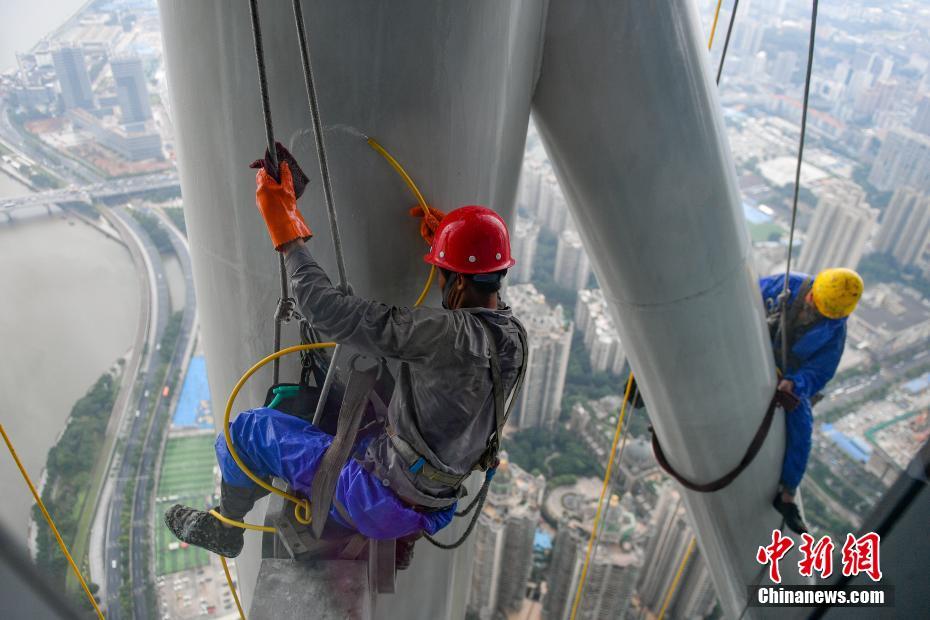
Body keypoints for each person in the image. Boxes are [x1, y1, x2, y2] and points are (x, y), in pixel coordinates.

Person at [165, 150, 527, 568]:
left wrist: (286, 231)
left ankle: (225, 526)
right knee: (359, 411)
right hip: (437, 503)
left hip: (377, 499)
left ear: (459, 282)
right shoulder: (514, 336)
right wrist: (449, 248)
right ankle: (401, 534)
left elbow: (326, 310)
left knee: (249, 430)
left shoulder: (440, 336)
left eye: (443, 273)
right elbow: (477, 312)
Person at [760, 268, 863, 534]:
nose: (813, 307)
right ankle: (643, 387)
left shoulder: (834, 329)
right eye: (814, 301)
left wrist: (795, 384)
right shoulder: (788, 285)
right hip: (754, 345)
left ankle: (787, 495)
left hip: (787, 374)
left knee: (802, 427)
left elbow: (820, 371)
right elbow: (744, 299)